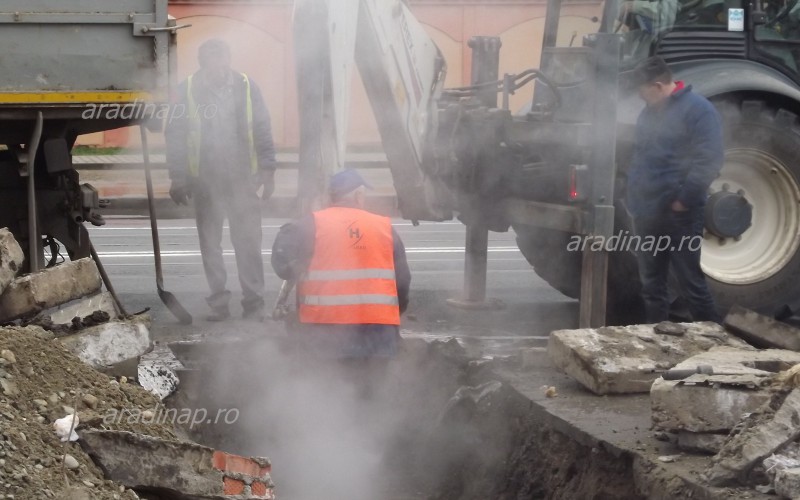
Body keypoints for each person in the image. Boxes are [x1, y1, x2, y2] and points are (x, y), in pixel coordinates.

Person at [165, 39, 277, 321]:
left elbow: (262, 128)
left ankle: (254, 303)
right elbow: (175, 134)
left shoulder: (247, 86)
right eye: (212, 61)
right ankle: (219, 303)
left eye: (222, 59)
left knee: (248, 241)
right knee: (211, 245)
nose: (219, 66)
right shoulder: (187, 89)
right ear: (203, 63)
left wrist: (268, 170)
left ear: (229, 59)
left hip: (243, 179)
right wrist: (178, 176)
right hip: (205, 181)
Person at [270, 169, 411, 359]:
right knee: (373, 384)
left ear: (330, 198)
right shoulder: (384, 228)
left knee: (325, 384)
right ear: (359, 196)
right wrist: (393, 315)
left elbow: (282, 263)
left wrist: (298, 265)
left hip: (322, 336)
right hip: (378, 336)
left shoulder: (311, 224)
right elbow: (402, 281)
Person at [625, 56, 724, 324]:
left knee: (690, 282)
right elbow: (641, 157)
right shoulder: (649, 113)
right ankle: (655, 334)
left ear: (657, 86)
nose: (641, 98)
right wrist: (633, 199)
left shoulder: (699, 110)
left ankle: (716, 339)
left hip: (680, 213)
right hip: (647, 211)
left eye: (643, 92)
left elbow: (709, 160)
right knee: (651, 284)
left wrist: (683, 200)